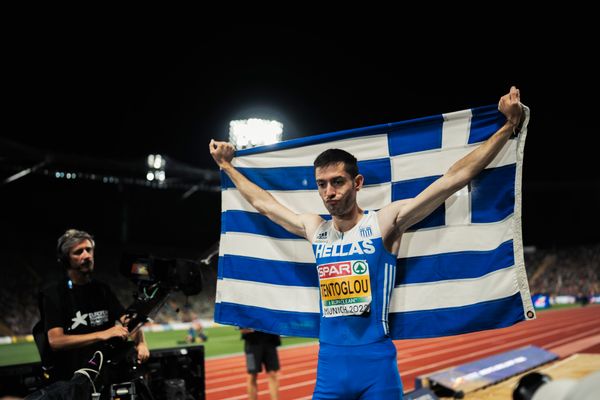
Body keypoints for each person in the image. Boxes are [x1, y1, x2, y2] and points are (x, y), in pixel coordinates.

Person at [209, 87, 524, 399]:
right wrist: (227, 166)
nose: (329, 192)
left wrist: (508, 127)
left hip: (376, 364)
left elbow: (454, 179)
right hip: (330, 364)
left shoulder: (384, 222)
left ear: (357, 183)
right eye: (322, 185)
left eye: (337, 182)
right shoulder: (315, 228)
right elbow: (264, 204)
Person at [39, 229, 150, 385]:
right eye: (78, 252)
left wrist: (141, 343)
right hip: (74, 379)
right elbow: (56, 341)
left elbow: (129, 320)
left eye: (89, 250)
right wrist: (102, 334)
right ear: (65, 260)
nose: (87, 256)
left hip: (108, 373)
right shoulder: (53, 294)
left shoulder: (102, 290)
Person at [240, 328, 281, 400]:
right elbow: (243, 329)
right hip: (252, 344)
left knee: (273, 373)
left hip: (270, 342)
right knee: (252, 375)